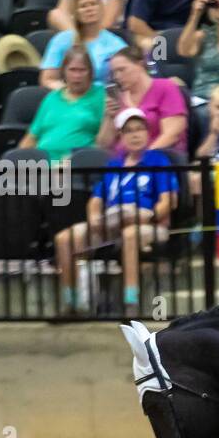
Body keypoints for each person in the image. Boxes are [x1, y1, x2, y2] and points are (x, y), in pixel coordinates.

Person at [55, 108, 178, 316]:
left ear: (148, 133)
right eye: (129, 131)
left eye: (140, 129)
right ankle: (71, 302)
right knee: (64, 239)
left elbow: (168, 202)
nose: (135, 134)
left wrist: (148, 216)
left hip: (148, 223)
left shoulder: (158, 161)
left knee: (130, 235)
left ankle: (131, 303)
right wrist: (94, 217)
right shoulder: (114, 165)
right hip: (112, 220)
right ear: (121, 136)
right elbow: (95, 200)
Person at [96, 48, 189, 155]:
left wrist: (142, 160)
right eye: (114, 72)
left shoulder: (165, 87)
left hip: (158, 161)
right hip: (122, 163)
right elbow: (103, 145)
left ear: (140, 65)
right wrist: (109, 116)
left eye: (122, 70)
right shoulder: (119, 98)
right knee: (79, 160)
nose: (117, 77)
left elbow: (172, 134)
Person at [20, 46, 106, 161]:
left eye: (82, 70)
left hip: (78, 166)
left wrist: (75, 160)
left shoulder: (100, 96)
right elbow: (31, 137)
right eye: (72, 70)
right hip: (42, 164)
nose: (77, 76)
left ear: (90, 72)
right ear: (63, 72)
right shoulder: (51, 98)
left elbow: (105, 141)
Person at [40, 0, 129, 89]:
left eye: (93, 4)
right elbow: (48, 79)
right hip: (70, 99)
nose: (89, 9)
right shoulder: (61, 40)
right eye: (83, 6)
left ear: (101, 9)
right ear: (76, 13)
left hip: (105, 98)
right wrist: (70, 94)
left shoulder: (116, 43)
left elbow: (127, 79)